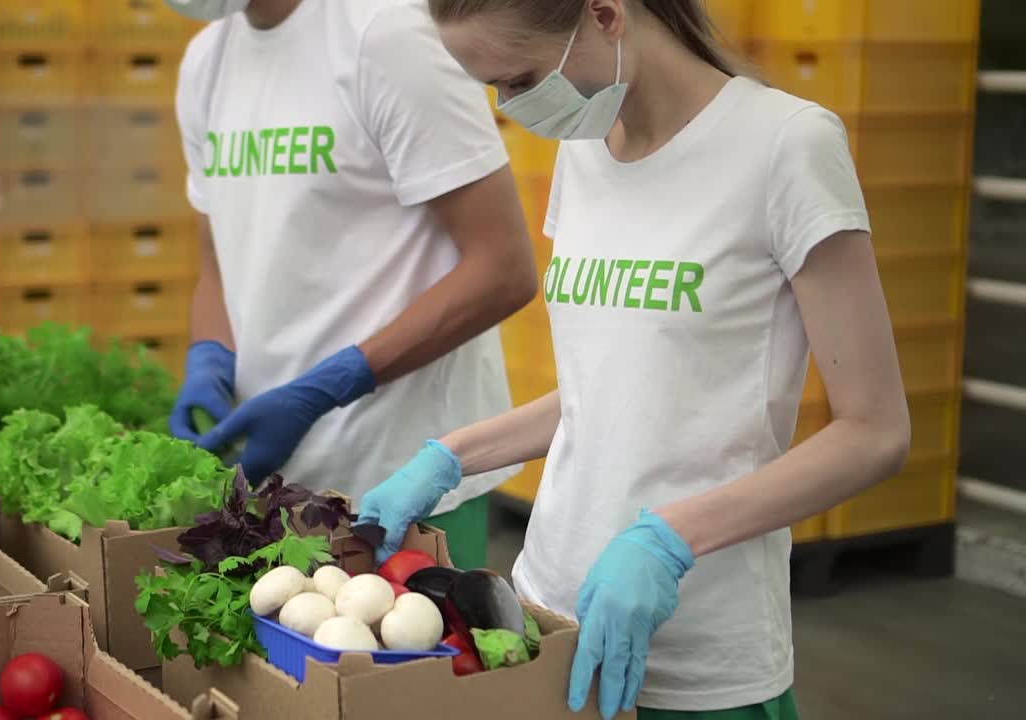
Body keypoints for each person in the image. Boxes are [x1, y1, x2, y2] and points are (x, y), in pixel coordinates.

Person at [357, 0, 912, 717]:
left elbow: (874, 433)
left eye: (521, 78)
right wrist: (453, 456)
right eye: (493, 86)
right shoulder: (583, 147)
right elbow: (610, 389)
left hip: (699, 653)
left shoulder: (786, 145)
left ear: (605, 15)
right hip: (545, 616)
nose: (512, 105)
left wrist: (670, 539)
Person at [162, 0, 540, 569]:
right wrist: (210, 355)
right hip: (271, 484)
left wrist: (333, 384)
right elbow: (219, 258)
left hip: (403, 485)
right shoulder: (205, 63)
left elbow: (503, 268)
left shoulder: (384, 35)